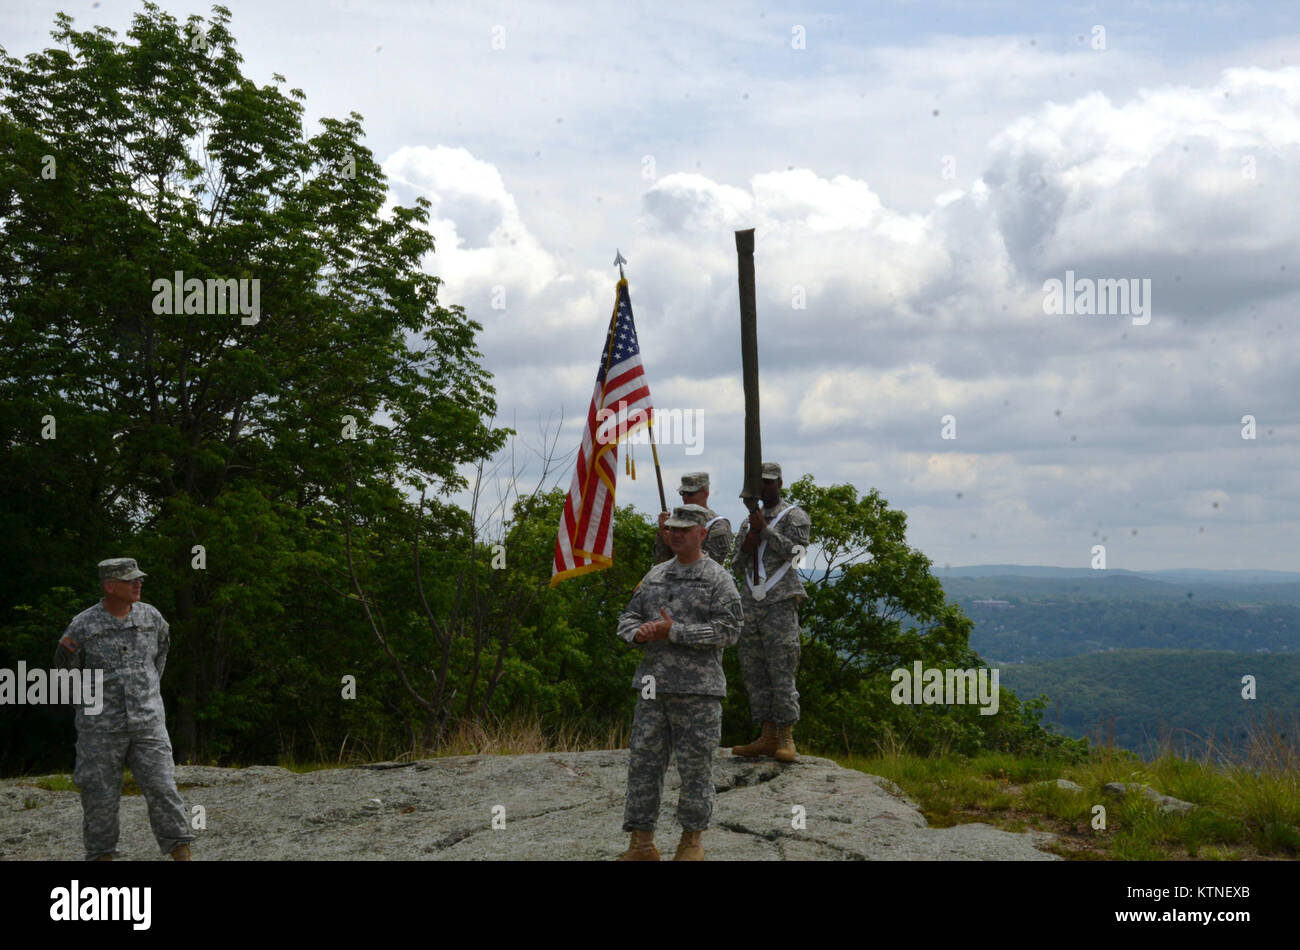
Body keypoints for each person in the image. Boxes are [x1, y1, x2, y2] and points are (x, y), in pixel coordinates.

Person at [617, 504, 742, 861]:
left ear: (701, 534)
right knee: (643, 765)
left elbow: (730, 631)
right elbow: (627, 617)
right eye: (671, 529)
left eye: (684, 530)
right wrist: (638, 635)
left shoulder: (718, 579)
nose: (675, 534)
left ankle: (691, 842)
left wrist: (677, 632)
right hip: (652, 688)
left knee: (696, 770)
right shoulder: (655, 576)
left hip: (698, 691)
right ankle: (641, 843)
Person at [54, 558, 195, 861]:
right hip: (100, 730)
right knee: (99, 800)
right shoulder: (83, 626)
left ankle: (183, 856)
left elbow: (160, 659)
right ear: (109, 586)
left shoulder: (152, 618)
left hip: (148, 724)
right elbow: (65, 670)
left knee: (164, 790)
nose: (138, 583)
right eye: (130, 579)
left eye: (139, 578)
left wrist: (144, 695)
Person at [730, 463, 811, 763]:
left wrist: (767, 532)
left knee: (782, 668)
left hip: (780, 601)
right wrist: (750, 541)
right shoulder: (747, 522)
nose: (764, 489)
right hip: (750, 602)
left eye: (768, 483)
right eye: (759, 484)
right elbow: (737, 566)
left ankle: (786, 734)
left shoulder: (795, 517)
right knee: (754, 670)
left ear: (779, 483)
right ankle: (766, 733)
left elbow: (799, 556)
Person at [653, 472, 732, 567]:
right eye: (683, 493)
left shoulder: (717, 525)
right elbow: (661, 562)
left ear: (705, 494)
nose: (685, 498)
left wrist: (673, 544)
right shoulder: (673, 525)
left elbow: (711, 564)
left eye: (690, 494)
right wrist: (663, 535)